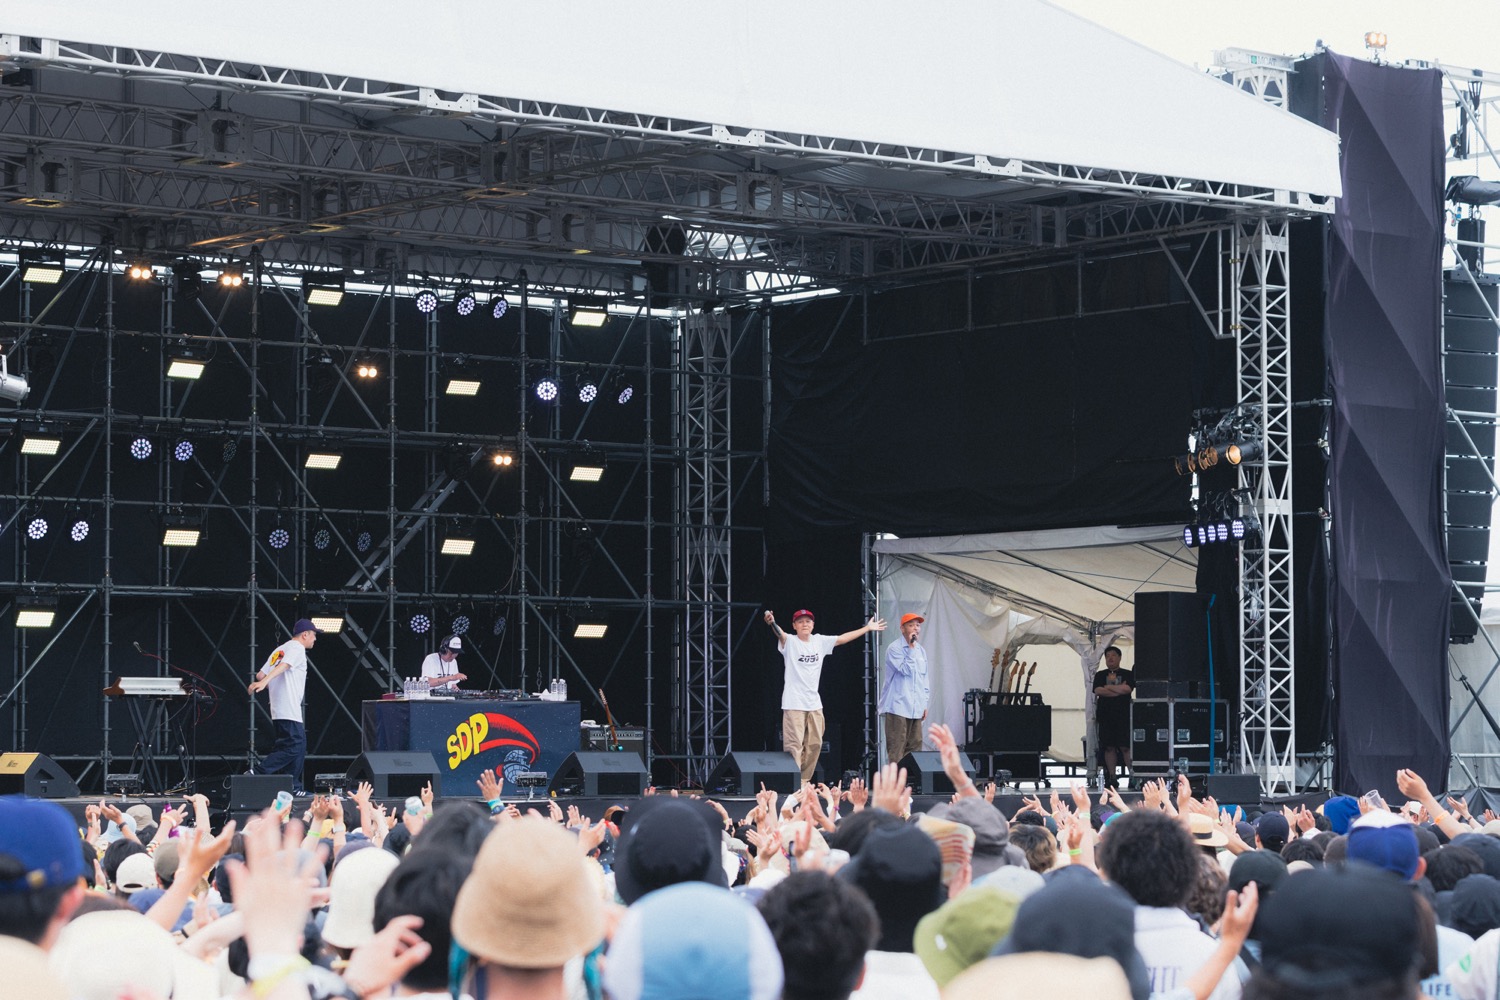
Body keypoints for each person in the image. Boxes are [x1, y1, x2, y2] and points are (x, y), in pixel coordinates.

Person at [764, 608, 887, 782]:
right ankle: (794, 784)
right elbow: (780, 634)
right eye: (800, 622)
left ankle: (803, 781)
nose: (804, 624)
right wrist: (772, 622)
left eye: (808, 621)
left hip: (814, 703)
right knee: (794, 746)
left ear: (813, 625)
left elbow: (843, 638)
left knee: (815, 744)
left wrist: (867, 628)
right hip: (793, 703)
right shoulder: (790, 641)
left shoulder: (819, 641)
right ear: (794, 625)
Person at [248, 617, 321, 792]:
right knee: (294, 745)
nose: (315, 639)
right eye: (313, 635)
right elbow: (284, 666)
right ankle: (257, 773)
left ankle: (293, 786)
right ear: (305, 635)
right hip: (288, 708)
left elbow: (260, 674)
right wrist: (265, 683)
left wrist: (266, 681)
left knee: (297, 746)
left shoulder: (280, 649)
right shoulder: (296, 648)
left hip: (279, 708)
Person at [879, 613, 930, 765]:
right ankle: (895, 779)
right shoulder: (894, 648)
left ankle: (910, 779)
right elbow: (905, 670)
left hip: (916, 707)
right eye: (911, 625)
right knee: (897, 749)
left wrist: (924, 703)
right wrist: (911, 648)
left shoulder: (921, 651)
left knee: (915, 748)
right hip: (898, 706)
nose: (915, 628)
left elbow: (924, 679)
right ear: (902, 629)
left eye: (917, 625)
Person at [1093, 645, 1135, 790]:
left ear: (1119, 658)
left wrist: (1108, 687)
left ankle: (1132, 776)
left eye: (1113, 655)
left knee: (1125, 747)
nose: (1110, 658)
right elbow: (1098, 691)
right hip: (1105, 716)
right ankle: (1112, 777)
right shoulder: (1100, 674)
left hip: (1123, 716)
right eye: (1108, 656)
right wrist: (1118, 690)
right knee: (1109, 747)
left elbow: (1127, 689)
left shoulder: (1127, 673)